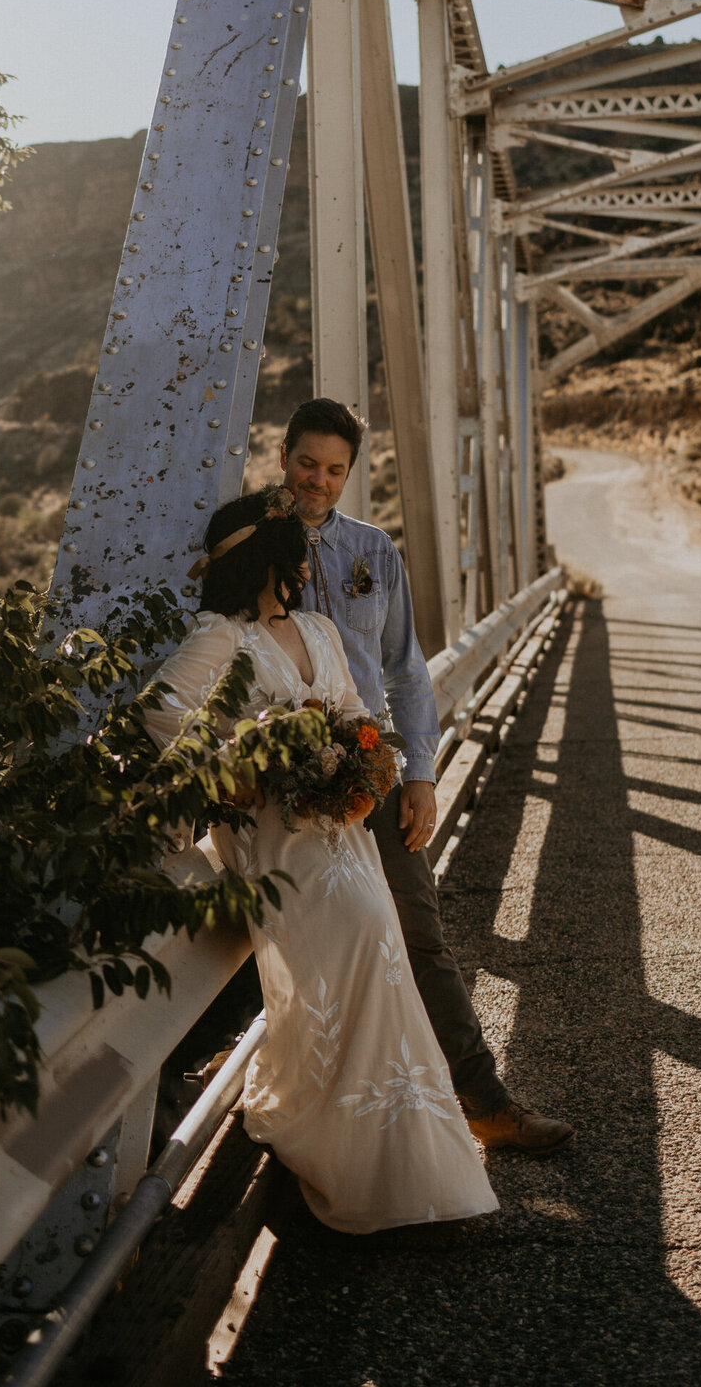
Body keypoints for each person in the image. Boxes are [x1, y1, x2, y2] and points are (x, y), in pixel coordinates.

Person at [141, 486, 498, 1234]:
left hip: (343, 835)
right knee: (366, 942)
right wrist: (239, 768)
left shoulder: (317, 629)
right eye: (294, 552)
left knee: (379, 946)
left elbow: (361, 717)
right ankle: (349, 1145)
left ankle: (409, 1161)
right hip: (275, 844)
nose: (306, 562)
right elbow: (158, 712)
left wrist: (365, 763)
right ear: (272, 556)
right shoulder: (223, 637)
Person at [280, 398, 573, 1155]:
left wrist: (419, 774)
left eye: (334, 469)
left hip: (372, 775)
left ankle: (482, 1101)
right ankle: (328, 1126)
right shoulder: (249, 542)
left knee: (420, 936)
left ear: (349, 474)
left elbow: (408, 670)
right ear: (285, 458)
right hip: (278, 784)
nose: (319, 479)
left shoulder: (374, 551)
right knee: (302, 946)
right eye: (307, 463)